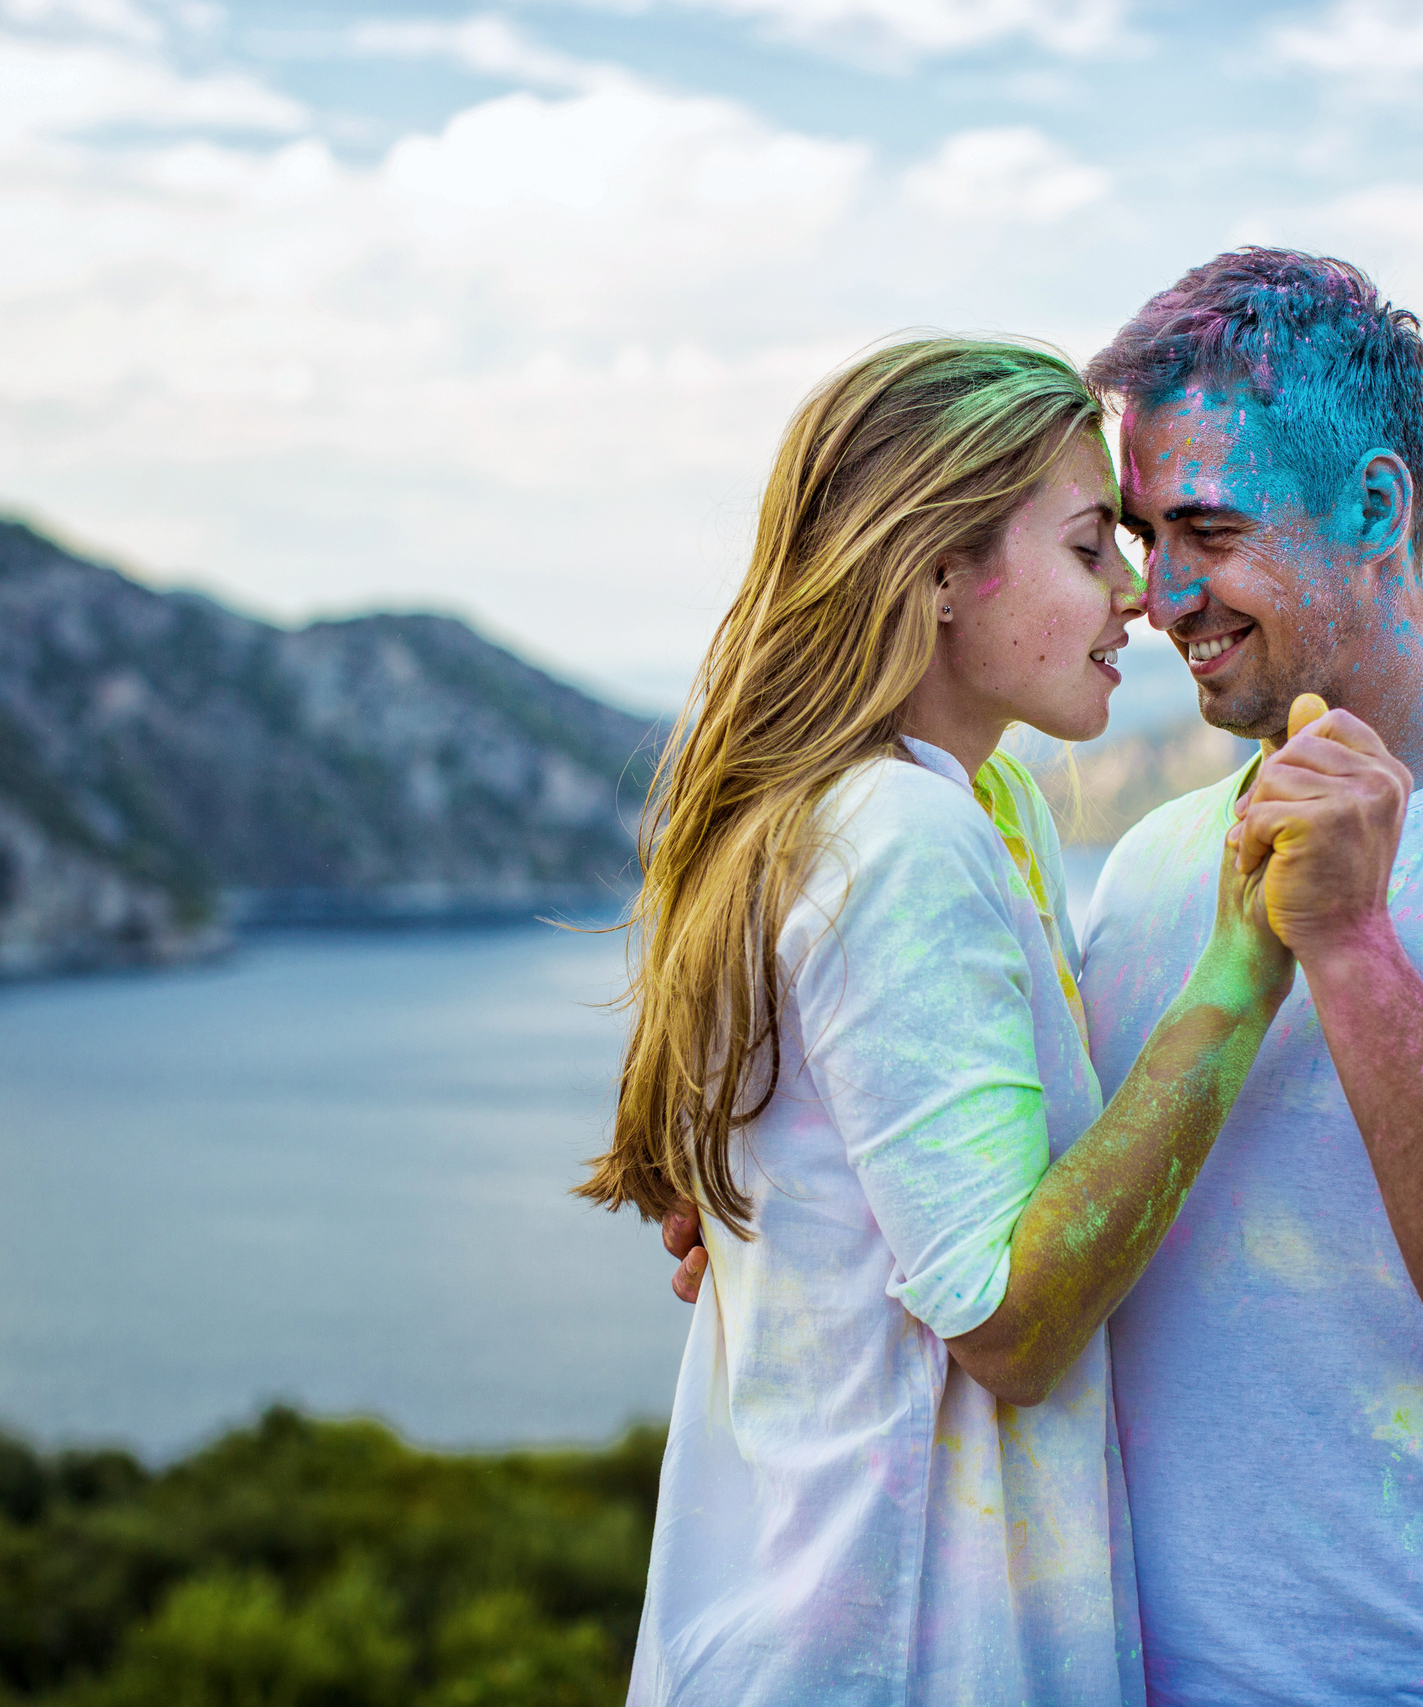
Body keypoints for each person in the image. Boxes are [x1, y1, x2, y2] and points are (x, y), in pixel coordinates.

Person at [666, 251, 1423, 1705]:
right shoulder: (1157, 861)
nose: (1157, 598)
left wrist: (1348, 946)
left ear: (1377, 507)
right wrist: (800, 1204)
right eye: (1134, 535)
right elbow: (1023, 1205)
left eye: (1204, 530)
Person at [581, 337, 1302, 1705]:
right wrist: (1243, 972)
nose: (1139, 595)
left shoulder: (978, 806)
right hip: (898, 1654)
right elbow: (1011, 1325)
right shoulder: (901, 835)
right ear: (936, 573)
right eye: (1095, 547)